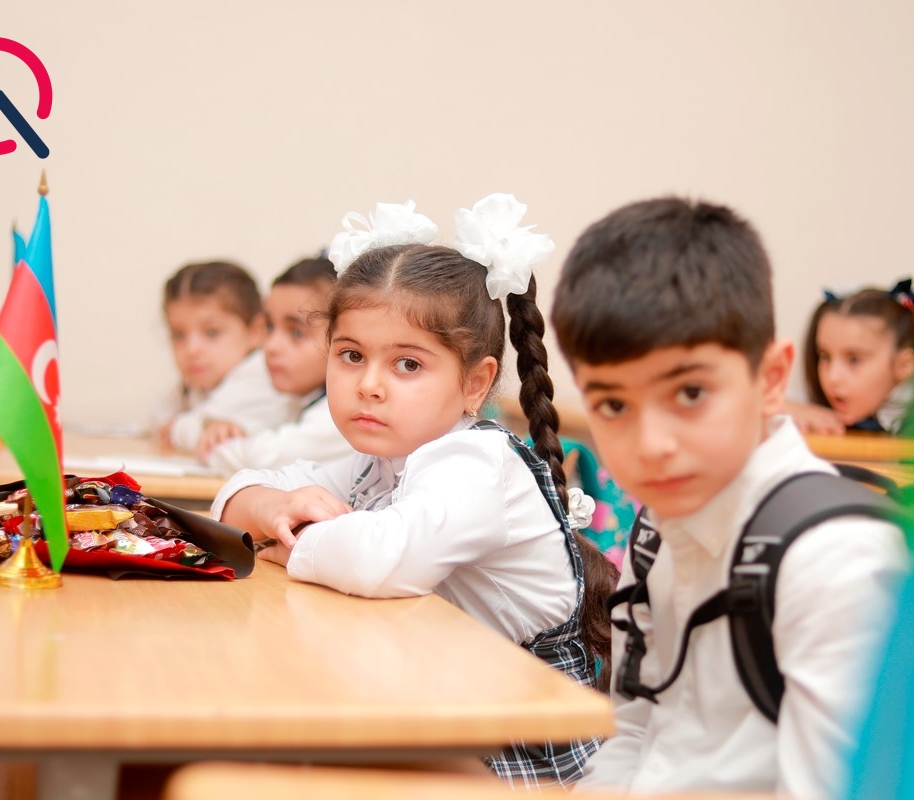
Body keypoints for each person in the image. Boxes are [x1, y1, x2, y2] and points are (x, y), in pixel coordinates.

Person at [211, 197, 613, 787]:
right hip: (438, 702)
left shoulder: (477, 462)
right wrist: (273, 508)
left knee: (272, 753)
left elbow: (381, 558)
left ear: (475, 383)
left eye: (407, 365)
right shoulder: (381, 460)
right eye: (351, 356)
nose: (369, 385)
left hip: (520, 745)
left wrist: (287, 541)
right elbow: (238, 493)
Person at [550, 197, 908, 798]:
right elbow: (634, 731)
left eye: (690, 393)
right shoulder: (658, 527)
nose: (652, 444)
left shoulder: (837, 561)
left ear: (771, 380)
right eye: (613, 404)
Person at [205, 256, 353, 474]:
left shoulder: (346, 414)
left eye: (296, 332)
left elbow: (265, 458)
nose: (271, 346)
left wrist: (218, 444)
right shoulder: (297, 399)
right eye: (269, 327)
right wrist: (228, 430)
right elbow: (262, 430)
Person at [157, 260, 299, 457]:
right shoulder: (197, 382)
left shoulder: (262, 373)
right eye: (178, 335)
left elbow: (205, 437)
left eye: (212, 332)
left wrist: (177, 428)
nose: (192, 349)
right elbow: (159, 419)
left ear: (255, 331)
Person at [789, 278, 914, 439]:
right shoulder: (830, 410)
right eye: (825, 357)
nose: (833, 377)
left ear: (904, 365)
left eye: (854, 360)